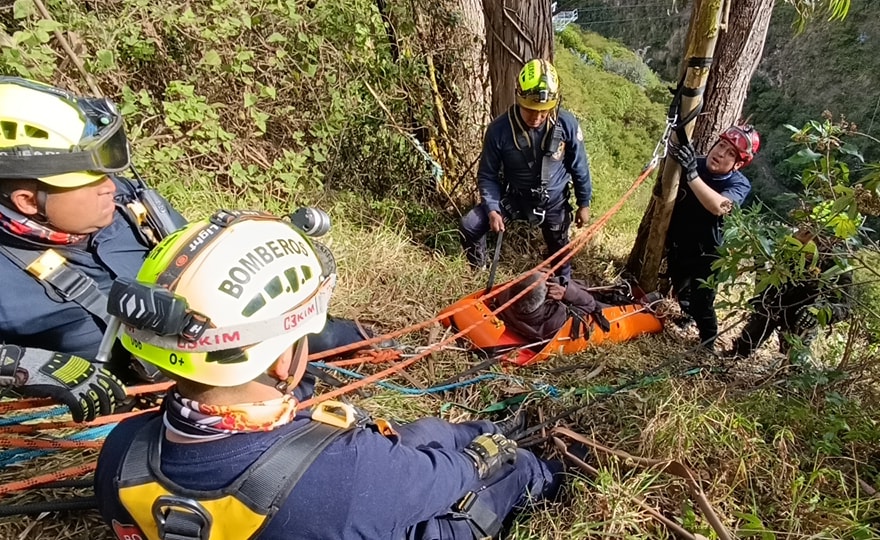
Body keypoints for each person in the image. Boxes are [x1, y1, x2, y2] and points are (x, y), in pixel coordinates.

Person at [95, 212, 562, 540]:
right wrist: (479, 461)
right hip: (357, 497)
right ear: (282, 362)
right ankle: (550, 476)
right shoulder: (348, 471)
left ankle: (487, 431)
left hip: (321, 490)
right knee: (507, 473)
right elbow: (434, 483)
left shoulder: (122, 451)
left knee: (425, 433)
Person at [0, 77, 393, 422]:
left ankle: (367, 341)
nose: (110, 186)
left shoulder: (121, 202)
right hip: (163, 390)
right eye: (89, 180)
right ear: (27, 201)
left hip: (220, 334)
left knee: (329, 336)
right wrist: (31, 365)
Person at [459, 58, 592, 280]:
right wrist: (492, 209)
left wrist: (584, 203)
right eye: (530, 110)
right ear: (519, 98)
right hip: (516, 197)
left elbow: (579, 165)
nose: (537, 117)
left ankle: (563, 285)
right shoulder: (499, 130)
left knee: (560, 254)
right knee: (470, 225)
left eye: (543, 111)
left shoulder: (566, 124)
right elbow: (488, 174)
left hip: (554, 201)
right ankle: (479, 269)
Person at [666, 125, 760, 350]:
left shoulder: (738, 183)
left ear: (737, 165)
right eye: (721, 145)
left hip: (708, 253)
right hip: (680, 242)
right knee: (682, 288)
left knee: (703, 301)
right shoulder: (695, 163)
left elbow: (720, 206)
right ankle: (687, 315)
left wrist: (692, 175)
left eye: (730, 154)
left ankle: (708, 341)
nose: (720, 153)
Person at [728, 229, 854, 363]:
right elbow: (766, 284)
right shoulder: (787, 249)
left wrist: (820, 310)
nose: (800, 235)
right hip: (776, 302)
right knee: (759, 320)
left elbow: (845, 308)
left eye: (807, 232)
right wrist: (761, 265)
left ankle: (793, 367)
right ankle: (737, 354)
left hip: (803, 314)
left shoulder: (837, 265)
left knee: (794, 358)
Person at [496, 271, 607, 342]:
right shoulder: (555, 320)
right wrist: (566, 293)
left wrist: (536, 276)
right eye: (546, 283)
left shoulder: (503, 297)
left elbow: (525, 288)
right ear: (546, 295)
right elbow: (590, 304)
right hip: (589, 302)